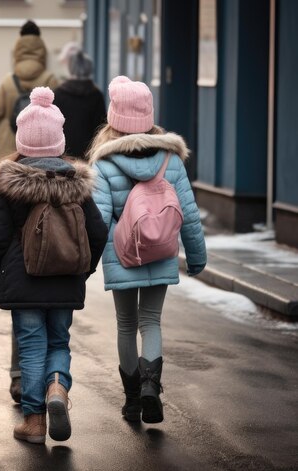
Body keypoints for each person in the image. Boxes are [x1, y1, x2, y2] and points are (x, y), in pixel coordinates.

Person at [0, 87, 108, 443]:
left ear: (22, 139)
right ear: (59, 140)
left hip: (24, 282)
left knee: (32, 345)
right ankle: (57, 389)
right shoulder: (76, 183)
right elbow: (97, 233)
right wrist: (83, 268)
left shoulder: (11, 183)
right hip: (66, 280)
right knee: (59, 342)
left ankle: (34, 422)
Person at [88, 75, 207, 424]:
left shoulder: (105, 164)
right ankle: (151, 387)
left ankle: (132, 401)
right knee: (151, 321)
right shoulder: (171, 161)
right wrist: (197, 257)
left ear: (114, 118)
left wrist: (87, 265)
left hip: (121, 255)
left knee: (126, 324)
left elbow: (96, 222)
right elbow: (189, 214)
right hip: (162, 250)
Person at [0, 19, 59, 403]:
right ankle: (56, 386)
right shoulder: (52, 77)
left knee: (18, 232)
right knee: (57, 332)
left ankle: (23, 384)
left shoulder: (8, 80)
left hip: (13, 162)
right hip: (53, 167)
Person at [0, 20, 59, 163]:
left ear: (17, 50)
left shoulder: (8, 81)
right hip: (41, 149)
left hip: (9, 146)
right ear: (42, 50)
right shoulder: (50, 80)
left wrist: (7, 130)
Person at [53, 50, 106, 160]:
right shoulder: (96, 95)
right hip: (88, 155)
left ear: (70, 69)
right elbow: (101, 128)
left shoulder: (58, 93)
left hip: (62, 153)